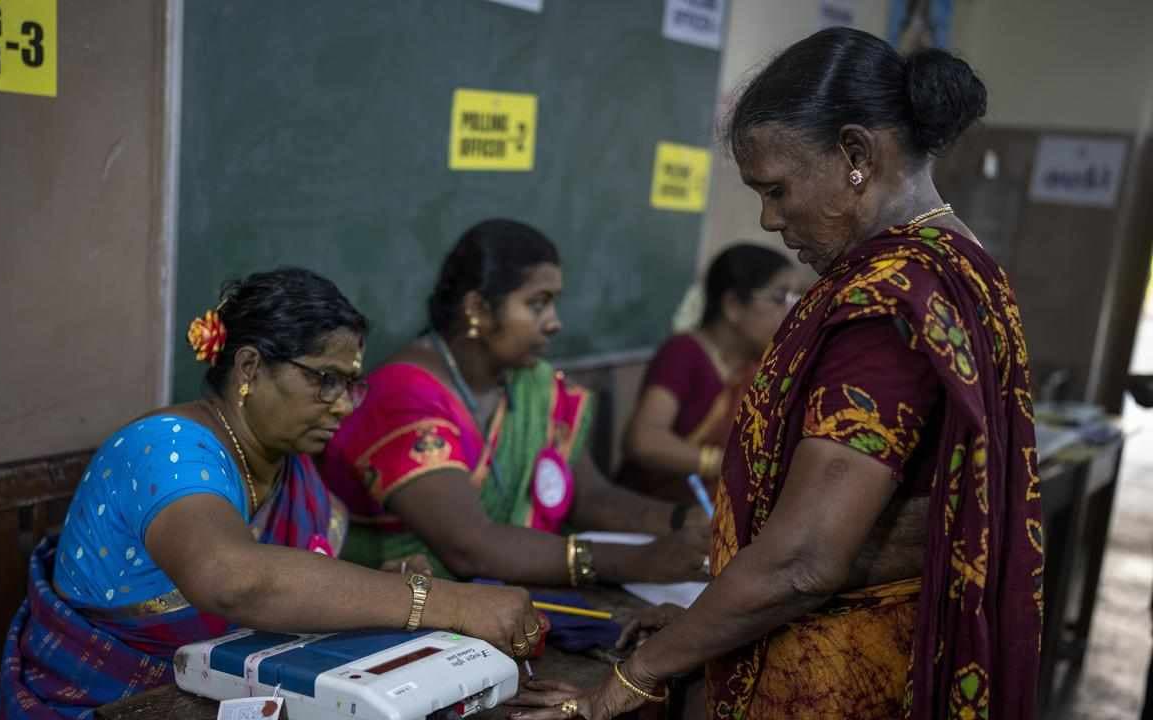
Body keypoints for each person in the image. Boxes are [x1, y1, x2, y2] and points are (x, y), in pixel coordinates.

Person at [508, 28, 1041, 720]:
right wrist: (707, 627)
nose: (768, 219)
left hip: (841, 672)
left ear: (855, 153)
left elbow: (804, 560)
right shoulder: (966, 267)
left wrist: (632, 678)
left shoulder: (889, 303)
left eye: (777, 190)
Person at [0, 267, 543, 719]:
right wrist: (442, 601)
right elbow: (237, 581)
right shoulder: (167, 450)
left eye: (352, 383)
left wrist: (386, 589)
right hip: (106, 706)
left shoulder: (287, 466)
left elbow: (291, 586)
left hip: (217, 697)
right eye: (325, 379)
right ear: (250, 366)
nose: (346, 405)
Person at [320, 219, 711, 586]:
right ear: (476, 308)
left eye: (553, 303)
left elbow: (590, 496)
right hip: (399, 609)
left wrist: (684, 522)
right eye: (537, 304)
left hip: (497, 597)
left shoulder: (529, 383)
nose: (554, 322)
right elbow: (470, 546)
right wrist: (638, 562)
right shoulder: (403, 396)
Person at [617, 244, 799, 504]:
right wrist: (725, 465)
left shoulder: (755, 369)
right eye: (780, 298)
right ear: (733, 305)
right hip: (653, 514)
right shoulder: (684, 353)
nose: (791, 312)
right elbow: (643, 440)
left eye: (795, 299)